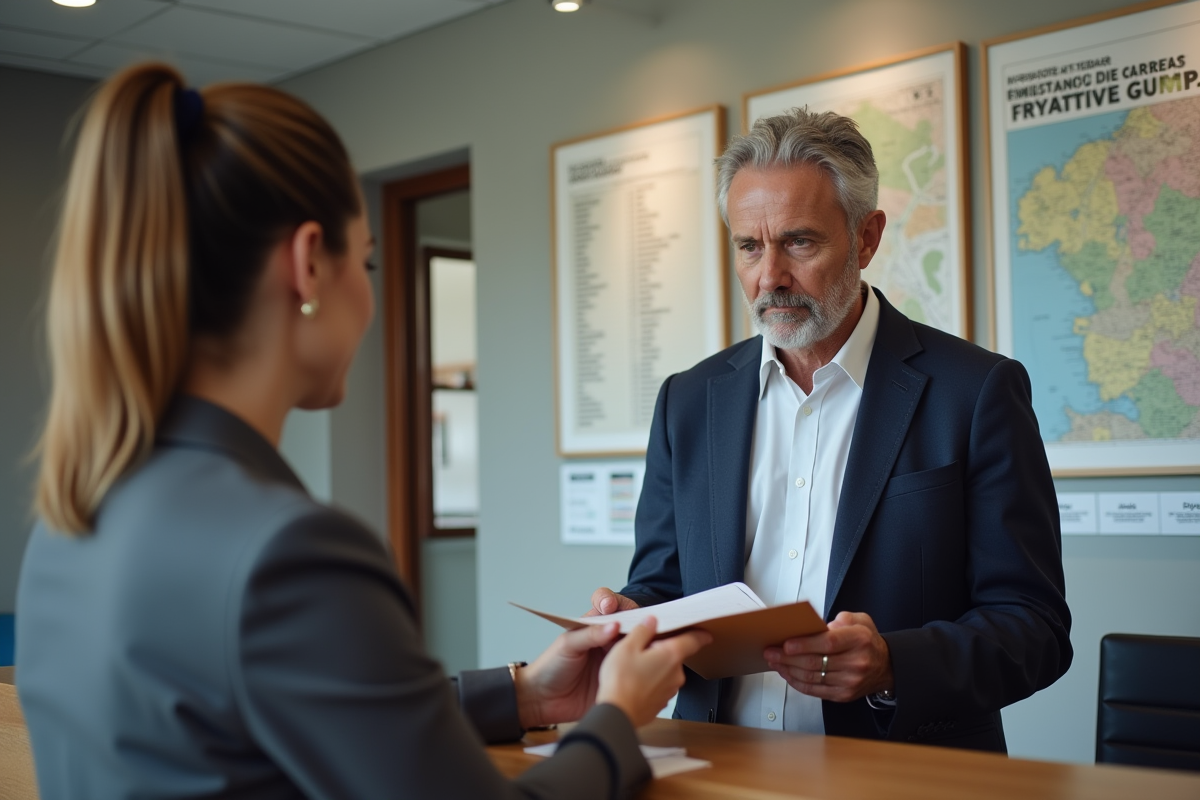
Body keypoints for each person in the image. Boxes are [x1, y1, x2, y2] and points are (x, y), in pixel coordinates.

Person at [15, 62, 710, 800]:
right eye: (369, 259)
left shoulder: (72, 518)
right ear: (310, 263)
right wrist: (615, 717)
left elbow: (281, 711)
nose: (372, 298)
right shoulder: (290, 551)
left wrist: (527, 695)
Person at [591, 108, 1072, 752]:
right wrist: (635, 616)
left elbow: (1035, 628)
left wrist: (892, 663)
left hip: (903, 776)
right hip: (715, 769)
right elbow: (664, 586)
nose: (770, 277)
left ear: (867, 238)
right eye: (749, 246)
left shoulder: (977, 391)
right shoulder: (688, 401)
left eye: (799, 242)